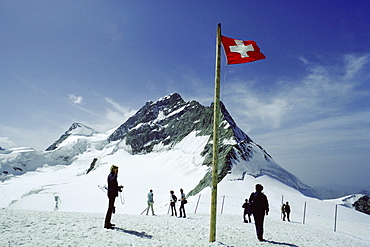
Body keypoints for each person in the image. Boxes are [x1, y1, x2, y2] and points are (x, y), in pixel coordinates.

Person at [104, 165, 123, 229]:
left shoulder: (111, 176)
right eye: (116, 170)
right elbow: (112, 182)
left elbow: (113, 185)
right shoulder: (111, 176)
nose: (117, 171)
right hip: (112, 194)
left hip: (112, 193)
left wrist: (118, 188)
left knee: (110, 207)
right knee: (110, 208)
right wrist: (115, 176)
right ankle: (107, 224)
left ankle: (108, 222)